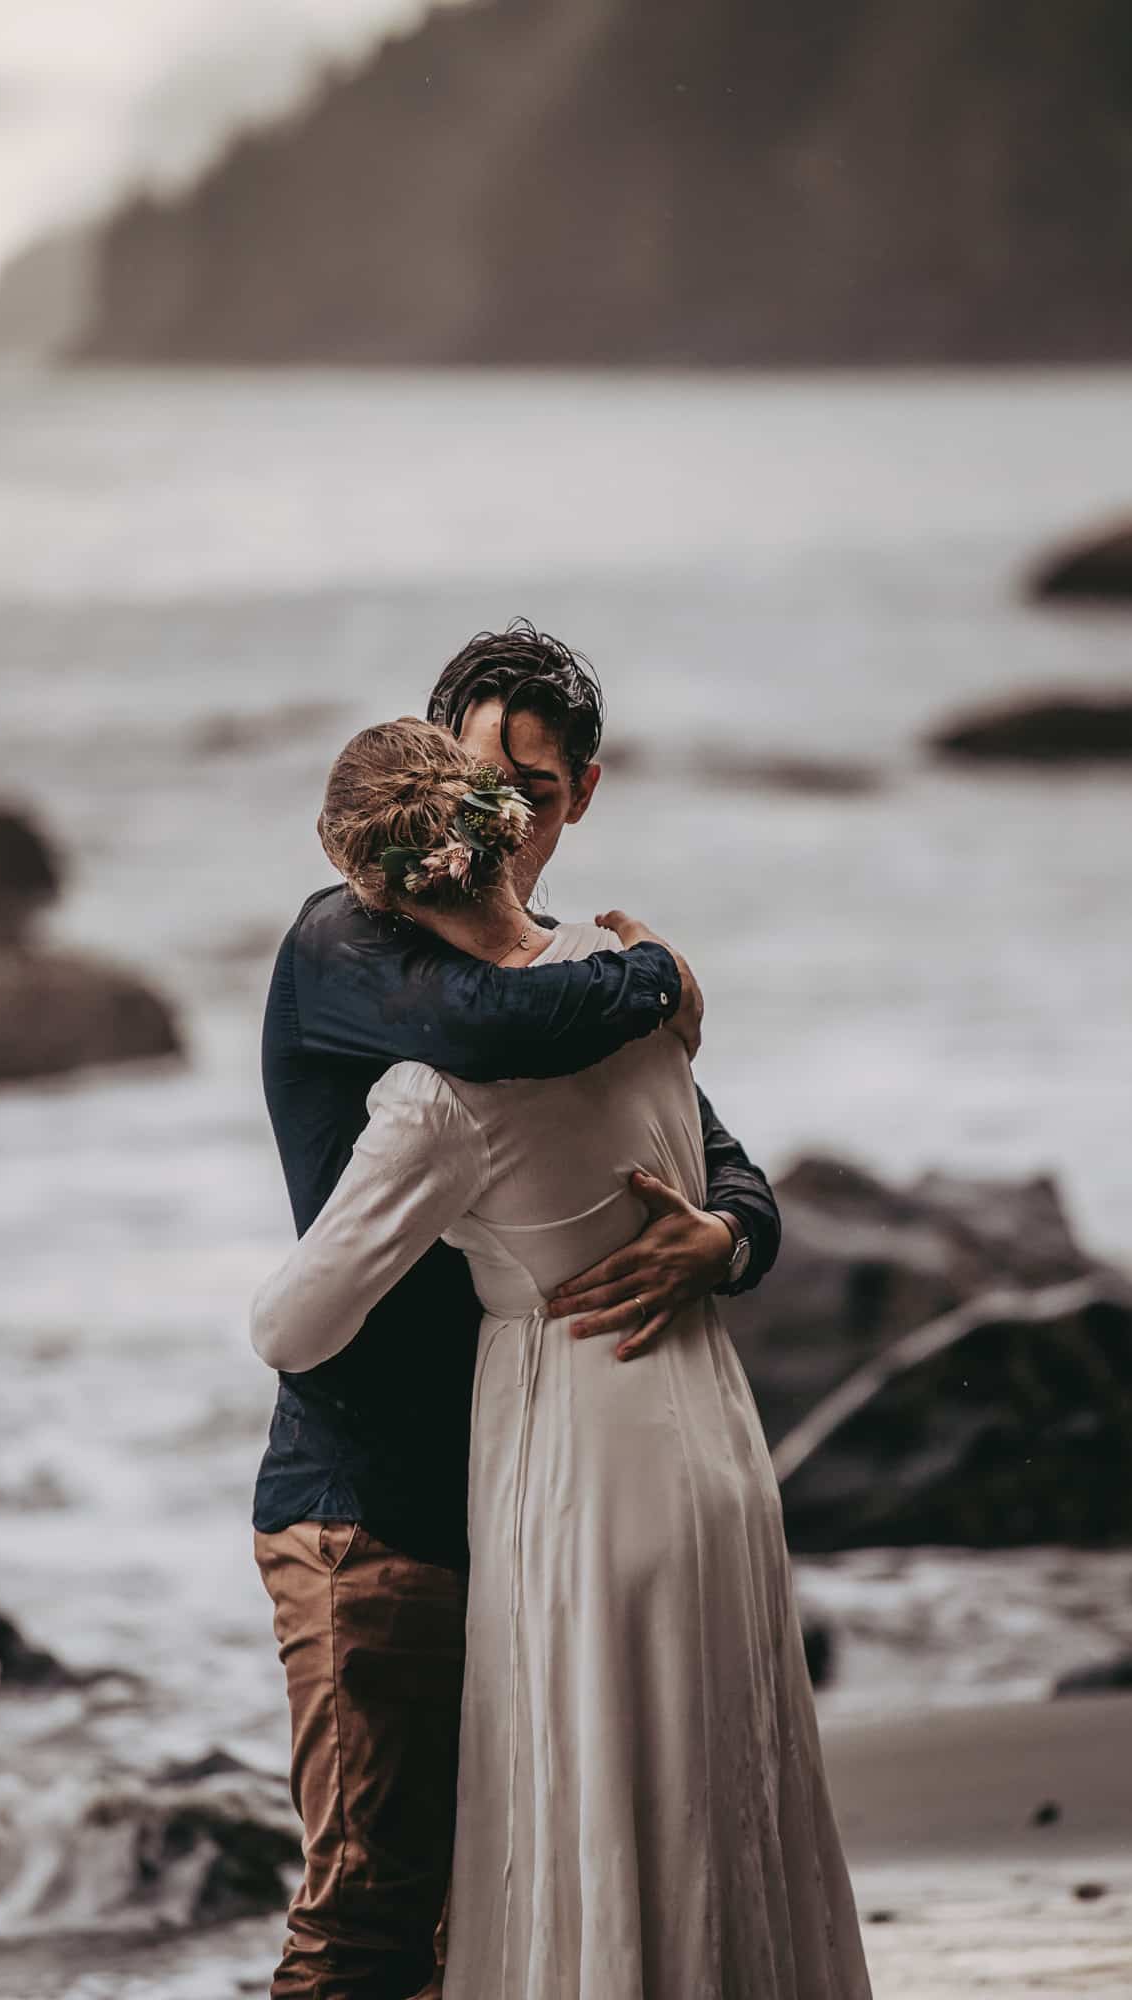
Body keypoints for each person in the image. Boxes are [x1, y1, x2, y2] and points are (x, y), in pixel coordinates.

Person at [252, 714, 873, 2000]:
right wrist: (654, 977)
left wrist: (729, 1234)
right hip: (671, 1445)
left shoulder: (446, 1085)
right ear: (483, 813)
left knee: (531, 1849)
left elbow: (291, 1324)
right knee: (700, 1815)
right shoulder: (586, 977)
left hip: (547, 1466)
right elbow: (491, 1015)